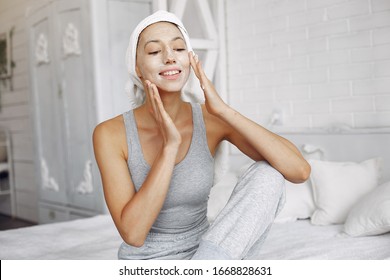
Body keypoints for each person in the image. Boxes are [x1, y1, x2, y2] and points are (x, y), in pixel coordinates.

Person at [93, 10, 310, 260]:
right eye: (154, 51)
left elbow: (299, 171)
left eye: (178, 49)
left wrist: (224, 111)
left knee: (268, 174)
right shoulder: (110, 134)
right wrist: (170, 147)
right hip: (147, 262)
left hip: (208, 254)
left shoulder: (211, 119)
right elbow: (133, 234)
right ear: (137, 68)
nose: (169, 58)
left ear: (190, 59)